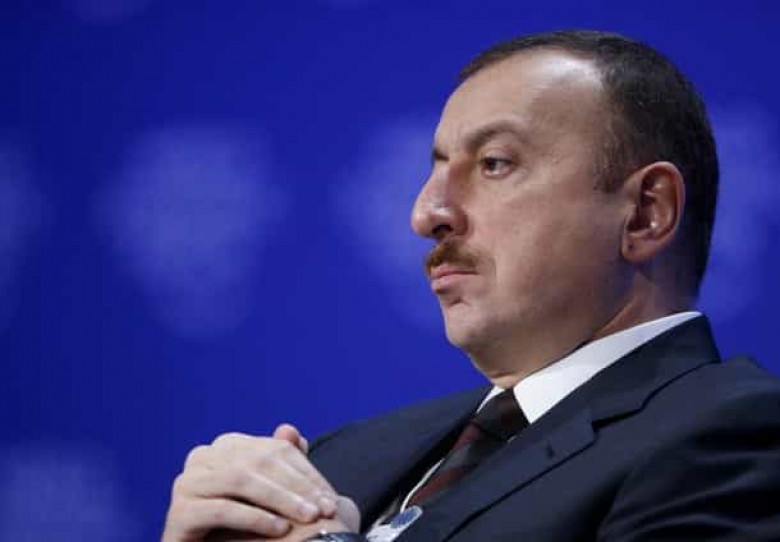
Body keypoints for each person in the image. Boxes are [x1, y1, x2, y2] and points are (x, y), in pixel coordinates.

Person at [162, 30, 780, 541]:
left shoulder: (736, 436)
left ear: (645, 213)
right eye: (434, 170)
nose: (426, 214)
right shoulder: (338, 460)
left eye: (494, 164)